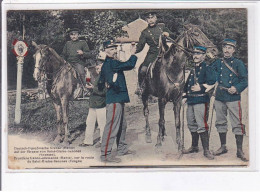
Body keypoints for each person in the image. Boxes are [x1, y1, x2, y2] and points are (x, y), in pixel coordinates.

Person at [98, 39, 137, 163]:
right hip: (114, 99)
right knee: (112, 127)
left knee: (122, 125)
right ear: (105, 51)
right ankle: (105, 154)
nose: (113, 51)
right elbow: (129, 65)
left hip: (117, 98)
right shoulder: (110, 63)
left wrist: (105, 82)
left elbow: (100, 82)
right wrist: (133, 54)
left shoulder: (110, 63)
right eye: (110, 49)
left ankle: (121, 149)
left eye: (114, 48)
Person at [211, 39, 248, 162]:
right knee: (220, 122)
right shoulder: (217, 62)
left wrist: (236, 88)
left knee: (237, 123)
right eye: (225, 47)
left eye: (230, 48)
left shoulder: (238, 63)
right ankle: (223, 147)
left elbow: (245, 80)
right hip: (220, 96)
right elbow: (210, 74)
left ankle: (239, 150)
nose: (227, 50)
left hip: (233, 97)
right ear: (222, 49)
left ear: (234, 50)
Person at [182, 46, 216, 160]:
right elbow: (187, 85)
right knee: (191, 123)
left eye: (198, 53)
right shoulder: (192, 70)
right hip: (191, 100)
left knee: (201, 125)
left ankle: (206, 150)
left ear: (204, 56)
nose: (195, 56)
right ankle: (194, 146)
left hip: (201, 100)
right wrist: (184, 96)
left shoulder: (207, 68)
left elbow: (212, 82)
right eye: (194, 53)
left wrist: (201, 87)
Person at [135, 11, 175, 95]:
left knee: (176, 64)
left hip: (165, 52)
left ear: (156, 18)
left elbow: (173, 35)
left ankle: (177, 86)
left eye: (152, 17)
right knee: (143, 70)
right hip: (152, 54)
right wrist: (134, 50)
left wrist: (168, 33)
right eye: (148, 18)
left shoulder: (162, 27)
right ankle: (141, 87)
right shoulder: (145, 32)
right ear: (146, 20)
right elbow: (140, 46)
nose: (150, 20)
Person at [79, 60, 106, 148]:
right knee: (89, 122)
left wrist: (93, 88)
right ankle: (88, 141)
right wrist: (87, 73)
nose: (96, 68)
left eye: (98, 66)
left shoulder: (105, 76)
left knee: (102, 123)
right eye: (96, 66)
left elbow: (105, 91)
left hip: (101, 103)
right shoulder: (98, 76)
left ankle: (103, 141)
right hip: (93, 103)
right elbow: (89, 83)